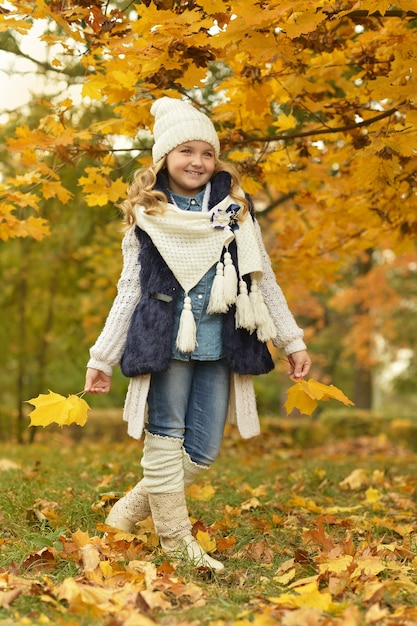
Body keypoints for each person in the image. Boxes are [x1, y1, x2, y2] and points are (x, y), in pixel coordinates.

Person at [84, 97, 311, 571]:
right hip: (163, 341)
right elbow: (128, 291)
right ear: (164, 158)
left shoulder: (237, 214)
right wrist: (102, 357)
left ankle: (127, 510)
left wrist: (292, 341)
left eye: (206, 152)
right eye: (185, 151)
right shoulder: (147, 215)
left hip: (220, 343)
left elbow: (262, 280)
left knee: (203, 450)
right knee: (165, 435)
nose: (197, 162)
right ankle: (176, 543)